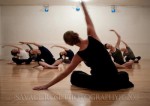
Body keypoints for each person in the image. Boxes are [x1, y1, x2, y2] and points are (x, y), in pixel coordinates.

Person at [33, 1, 134, 91]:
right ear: (76, 34)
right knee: (124, 75)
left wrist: (47, 85)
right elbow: (89, 22)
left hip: (99, 84)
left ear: (70, 44)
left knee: (75, 75)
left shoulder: (78, 56)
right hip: (114, 80)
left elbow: (64, 73)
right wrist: (83, 7)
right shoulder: (93, 37)